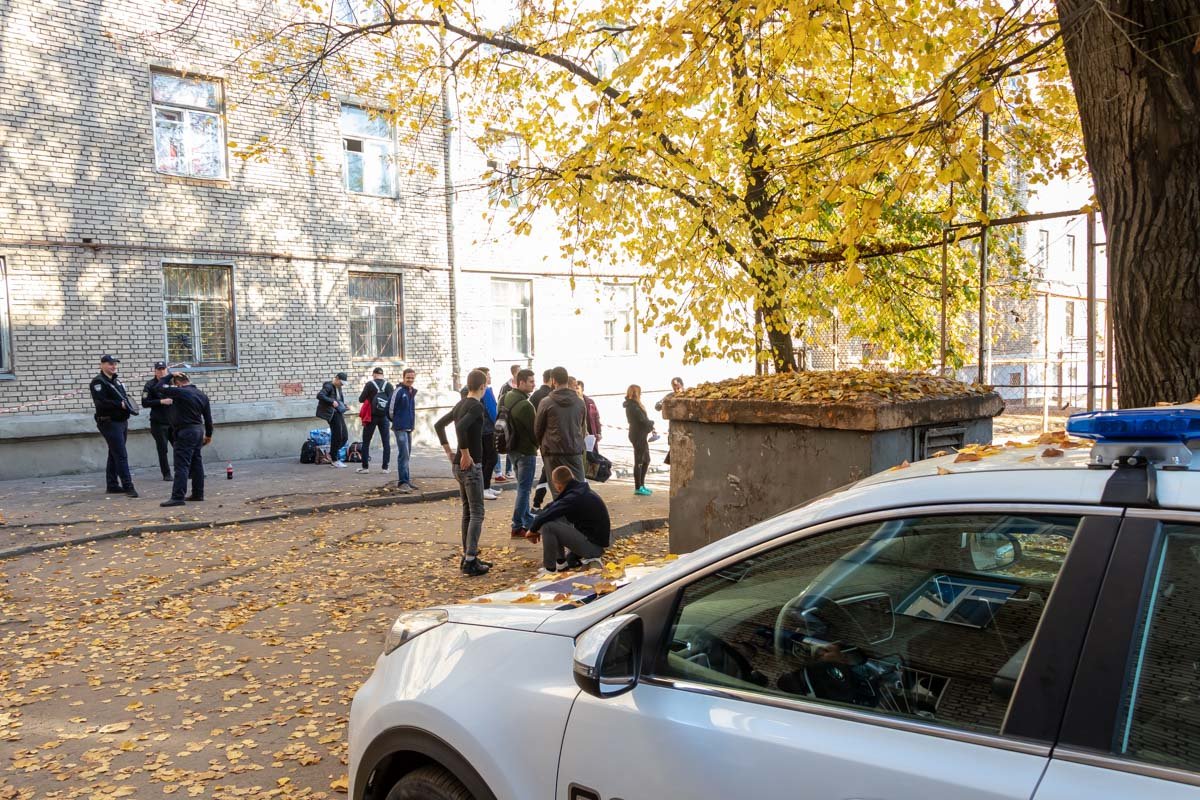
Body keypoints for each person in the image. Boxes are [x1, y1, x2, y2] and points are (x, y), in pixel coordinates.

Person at [436, 369, 491, 576]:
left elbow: (439, 425)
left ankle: (469, 554)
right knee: (477, 513)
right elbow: (460, 428)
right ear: (482, 386)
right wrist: (466, 453)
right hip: (471, 465)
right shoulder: (476, 406)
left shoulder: (460, 404)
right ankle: (470, 560)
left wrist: (450, 452)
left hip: (458, 465)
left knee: (468, 511)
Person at [526, 466, 611, 572]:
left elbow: (549, 513)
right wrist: (536, 526)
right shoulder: (577, 491)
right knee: (552, 517)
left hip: (593, 548)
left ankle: (550, 569)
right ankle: (561, 563)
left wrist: (532, 530)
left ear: (558, 486)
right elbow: (552, 507)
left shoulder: (574, 497)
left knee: (548, 526)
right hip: (592, 541)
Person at [157, 372, 212, 507]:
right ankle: (198, 493)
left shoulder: (180, 392)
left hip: (185, 432)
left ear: (178, 383)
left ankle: (177, 497)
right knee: (196, 463)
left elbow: (159, 387)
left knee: (182, 465)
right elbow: (208, 418)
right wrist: (208, 435)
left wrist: (169, 375)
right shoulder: (201, 394)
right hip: (198, 431)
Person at [534, 366, 588, 496]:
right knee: (579, 489)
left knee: (557, 491)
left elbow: (538, 429)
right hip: (574, 449)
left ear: (553, 381)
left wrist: (542, 445)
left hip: (553, 451)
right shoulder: (580, 402)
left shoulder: (546, 402)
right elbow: (582, 427)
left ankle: (563, 509)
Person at [90, 354, 138, 497]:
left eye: (115, 364)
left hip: (121, 421)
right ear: (102, 365)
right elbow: (100, 403)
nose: (113, 366)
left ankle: (112, 485)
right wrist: (119, 404)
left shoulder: (116, 380)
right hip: (109, 422)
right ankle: (128, 486)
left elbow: (124, 397)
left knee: (114, 453)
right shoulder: (98, 382)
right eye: (110, 364)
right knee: (121, 455)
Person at [501, 368, 538, 538]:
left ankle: (527, 519)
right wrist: (537, 446)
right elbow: (534, 432)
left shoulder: (505, 397)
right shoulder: (526, 405)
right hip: (526, 451)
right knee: (524, 489)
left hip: (511, 449)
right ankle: (517, 525)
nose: (534, 384)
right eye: (531, 381)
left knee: (521, 487)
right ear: (521, 382)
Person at [462, 367, 502, 498]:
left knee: (485, 458)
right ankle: (484, 487)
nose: (490, 377)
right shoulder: (486, 391)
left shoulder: (469, 392)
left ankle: (486, 486)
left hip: (483, 430)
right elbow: (492, 410)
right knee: (492, 458)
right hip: (489, 430)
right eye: (488, 375)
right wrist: (498, 425)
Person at [141, 360, 175, 481]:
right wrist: (161, 401)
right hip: (159, 423)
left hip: (174, 422)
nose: (161, 372)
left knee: (180, 447)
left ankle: (187, 471)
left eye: (163, 369)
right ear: (155, 371)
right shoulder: (150, 385)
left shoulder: (173, 382)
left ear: (167, 370)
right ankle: (166, 474)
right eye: (159, 370)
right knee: (162, 449)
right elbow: (144, 402)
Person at [357, 367, 393, 474]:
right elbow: (392, 401)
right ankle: (385, 468)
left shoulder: (370, 384)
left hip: (371, 417)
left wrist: (370, 397)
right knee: (386, 442)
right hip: (384, 417)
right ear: (382, 375)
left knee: (366, 442)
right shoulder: (389, 385)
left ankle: (365, 468)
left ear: (374, 374)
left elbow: (361, 399)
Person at [388, 368, 419, 493]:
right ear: (403, 377)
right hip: (400, 428)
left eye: (412, 378)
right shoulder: (399, 391)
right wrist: (397, 421)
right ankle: (402, 483)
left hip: (409, 427)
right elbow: (390, 409)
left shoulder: (411, 391)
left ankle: (406, 480)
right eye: (408, 377)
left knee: (407, 455)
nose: (410, 380)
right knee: (403, 454)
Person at [529, 368, 556, 510]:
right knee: (549, 472)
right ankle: (538, 503)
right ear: (552, 380)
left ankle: (537, 502)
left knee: (547, 471)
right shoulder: (551, 396)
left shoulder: (535, 395)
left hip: (542, 440)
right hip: (552, 439)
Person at [625, 384, 655, 496]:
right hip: (638, 435)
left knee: (646, 460)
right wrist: (651, 424)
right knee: (639, 461)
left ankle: (642, 485)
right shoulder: (633, 406)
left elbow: (643, 420)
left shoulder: (634, 405)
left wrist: (649, 425)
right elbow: (642, 420)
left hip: (640, 434)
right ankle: (638, 487)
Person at [316, 372, 349, 468]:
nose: (342, 385)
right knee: (337, 435)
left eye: (343, 383)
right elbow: (320, 395)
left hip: (338, 412)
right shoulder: (328, 386)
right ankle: (334, 460)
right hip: (331, 414)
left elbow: (339, 400)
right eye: (341, 382)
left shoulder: (339, 388)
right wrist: (332, 402)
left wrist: (344, 406)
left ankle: (331, 454)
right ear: (337, 378)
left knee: (344, 436)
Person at [496, 364, 520, 480]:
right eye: (519, 371)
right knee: (508, 443)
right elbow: (500, 400)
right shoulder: (506, 386)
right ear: (514, 373)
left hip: (518, 420)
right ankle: (507, 470)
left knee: (514, 444)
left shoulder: (521, 385)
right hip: (507, 419)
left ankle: (511, 469)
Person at [655, 376, 684, 463]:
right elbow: (657, 406)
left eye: (676, 385)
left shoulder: (689, 394)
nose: (675, 387)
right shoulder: (670, 395)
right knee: (673, 452)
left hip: (686, 428)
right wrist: (663, 403)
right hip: (673, 428)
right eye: (673, 385)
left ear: (681, 384)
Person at [577, 379, 601, 454]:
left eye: (577, 388)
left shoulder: (590, 402)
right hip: (579, 435)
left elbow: (596, 417)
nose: (575, 390)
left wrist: (599, 432)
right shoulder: (573, 402)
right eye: (574, 388)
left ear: (582, 389)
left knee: (592, 456)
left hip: (591, 434)